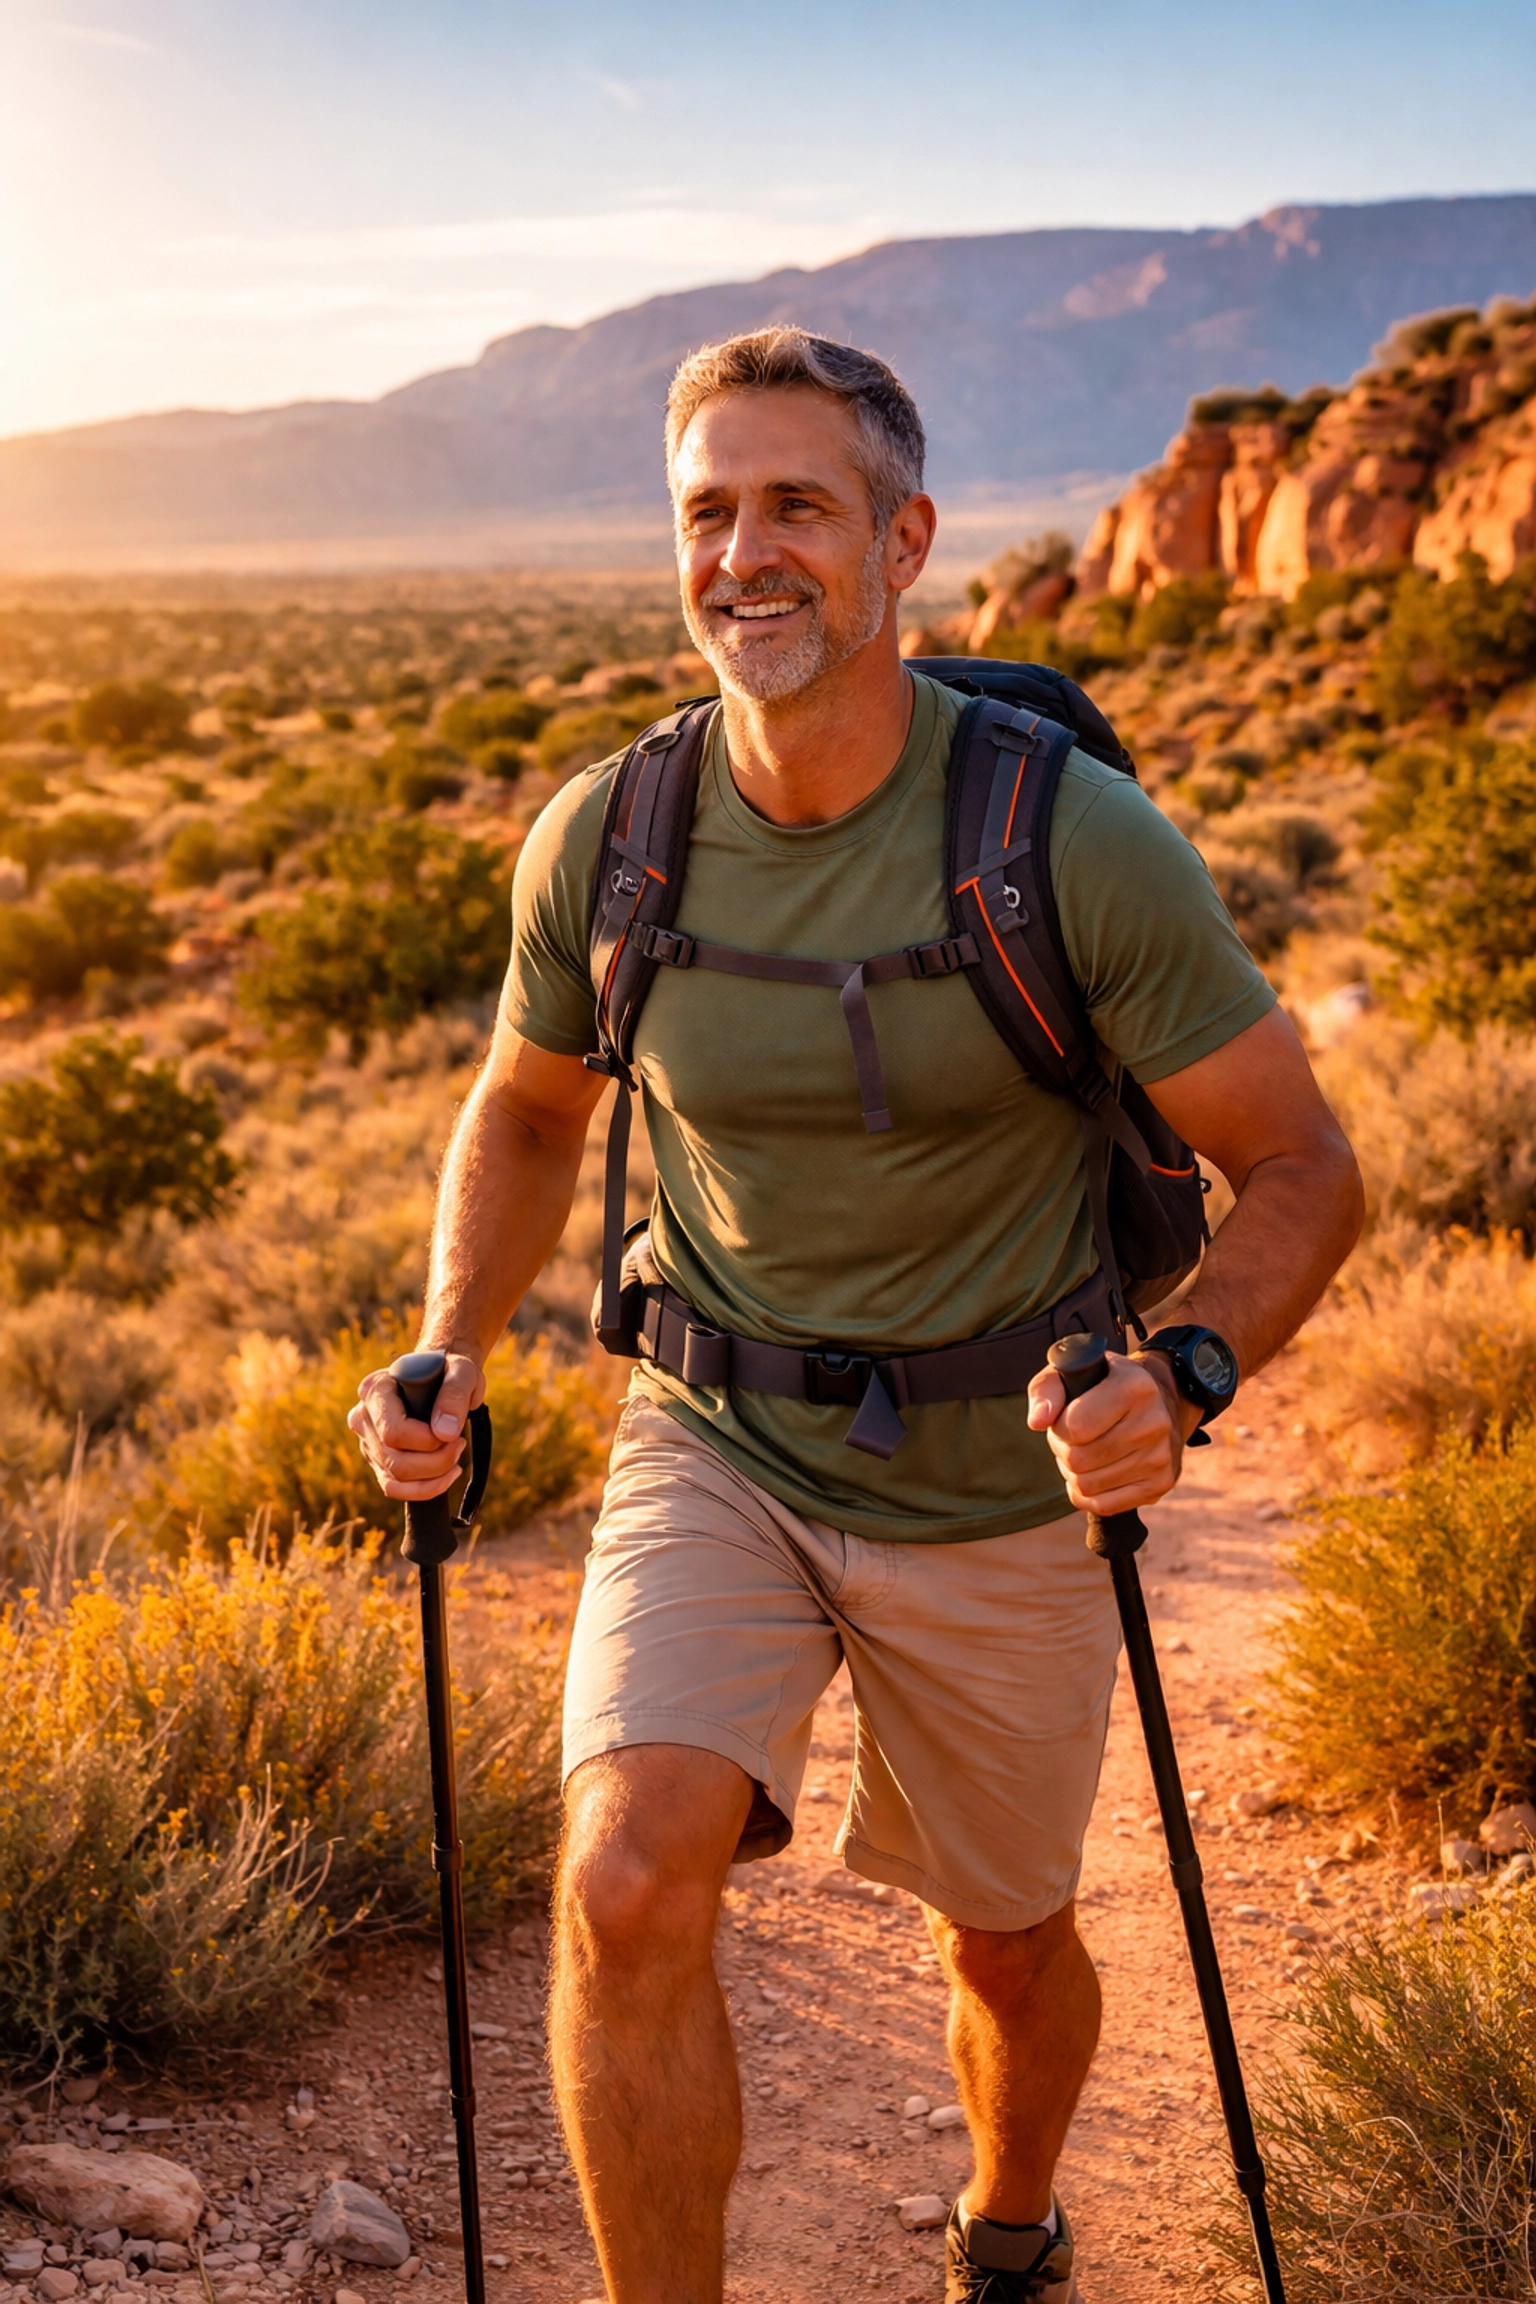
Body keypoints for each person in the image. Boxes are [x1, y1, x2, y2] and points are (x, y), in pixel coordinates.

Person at [350, 327, 1363, 2304]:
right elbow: (531, 1106)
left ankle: (1009, 2224)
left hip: (1008, 1469)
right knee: (629, 1881)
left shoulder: (1070, 840)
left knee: (1000, 1940)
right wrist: (451, 1343)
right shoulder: (613, 835)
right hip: (713, 1434)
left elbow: (1309, 1168)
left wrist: (1188, 1369)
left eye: (796, 506)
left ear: (903, 542)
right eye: (708, 511)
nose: (746, 554)